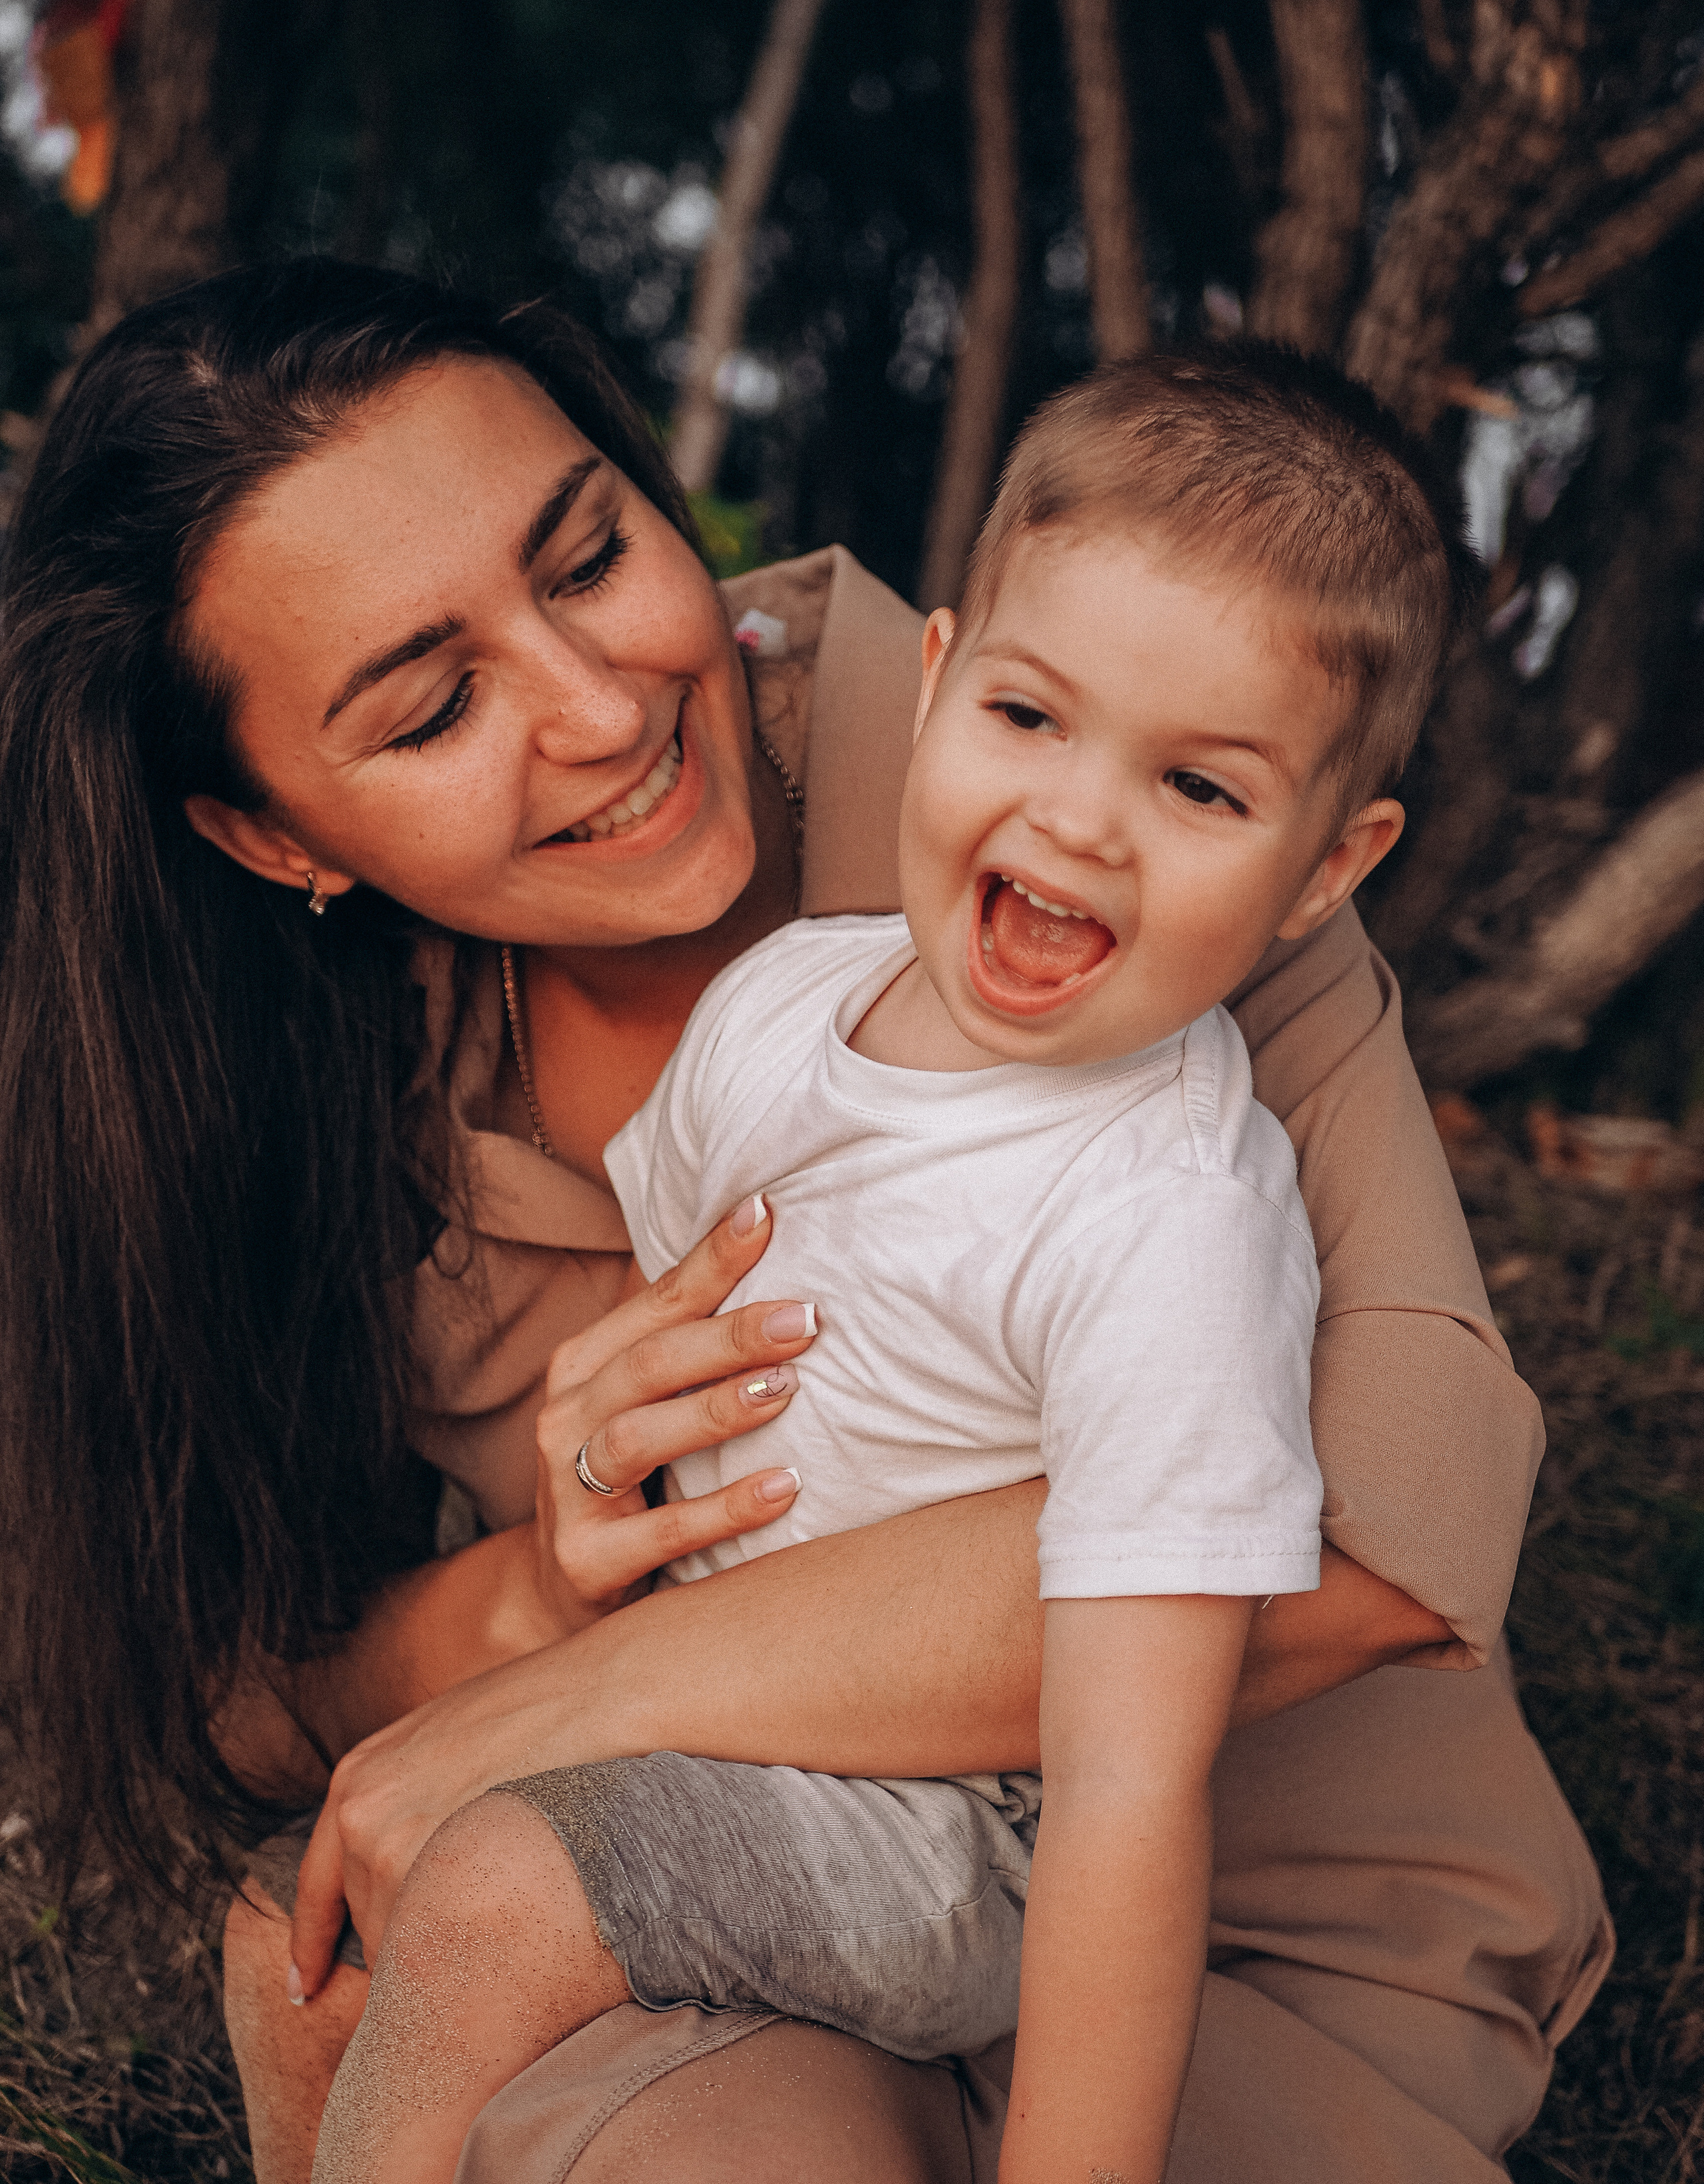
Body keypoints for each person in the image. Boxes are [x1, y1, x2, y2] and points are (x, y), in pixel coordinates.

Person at [0, 261, 1609, 2184]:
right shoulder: (285, 1054)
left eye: (590, 559)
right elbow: (244, 1683)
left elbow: (1380, 1525)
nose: (601, 711)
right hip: (729, 1909)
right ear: (272, 835)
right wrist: (533, 1587)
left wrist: (575, 1698)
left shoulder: (1120, 770)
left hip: (1249, 1927)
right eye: (437, 707)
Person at [306, 347, 1446, 2184]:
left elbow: (1131, 1795)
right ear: (934, 689)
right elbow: (666, 1337)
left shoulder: (1167, 1215)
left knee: (498, 1882)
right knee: (328, 1973)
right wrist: (588, 1490)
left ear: (1329, 872)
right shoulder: (786, 1005)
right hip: (734, 1737)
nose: (1080, 819)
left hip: (960, 1829)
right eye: (1031, 718)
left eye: (1201, 790)